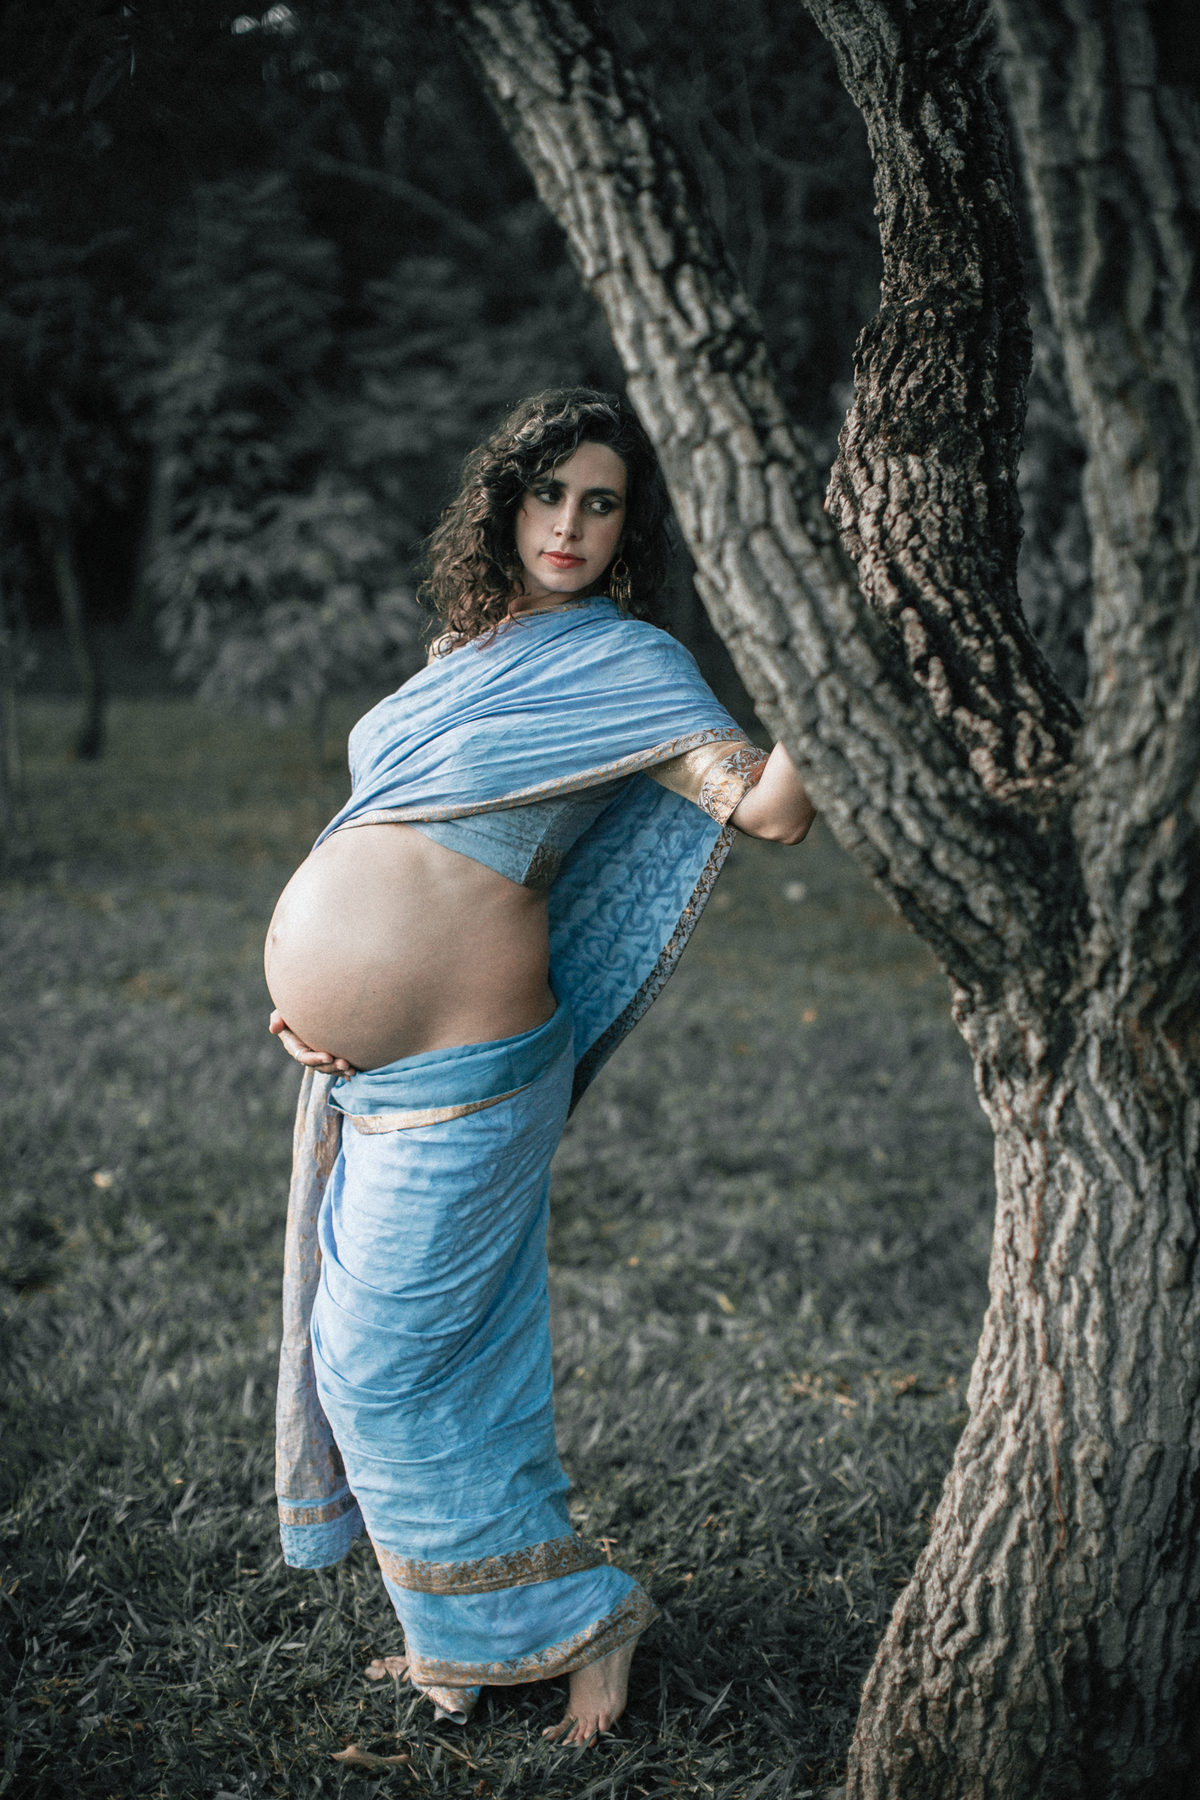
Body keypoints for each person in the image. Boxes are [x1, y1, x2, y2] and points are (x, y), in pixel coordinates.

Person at [265, 389, 814, 1748]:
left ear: (631, 527)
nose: (568, 524)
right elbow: (385, 831)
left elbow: (770, 811)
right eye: (547, 493)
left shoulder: (630, 666)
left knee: (379, 1364)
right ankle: (460, 1643)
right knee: (444, 1362)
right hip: (368, 1073)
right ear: (504, 503)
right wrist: (312, 1002)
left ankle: (580, 1612)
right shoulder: (462, 652)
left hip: (472, 1072)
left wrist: (835, 666)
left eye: (601, 501)